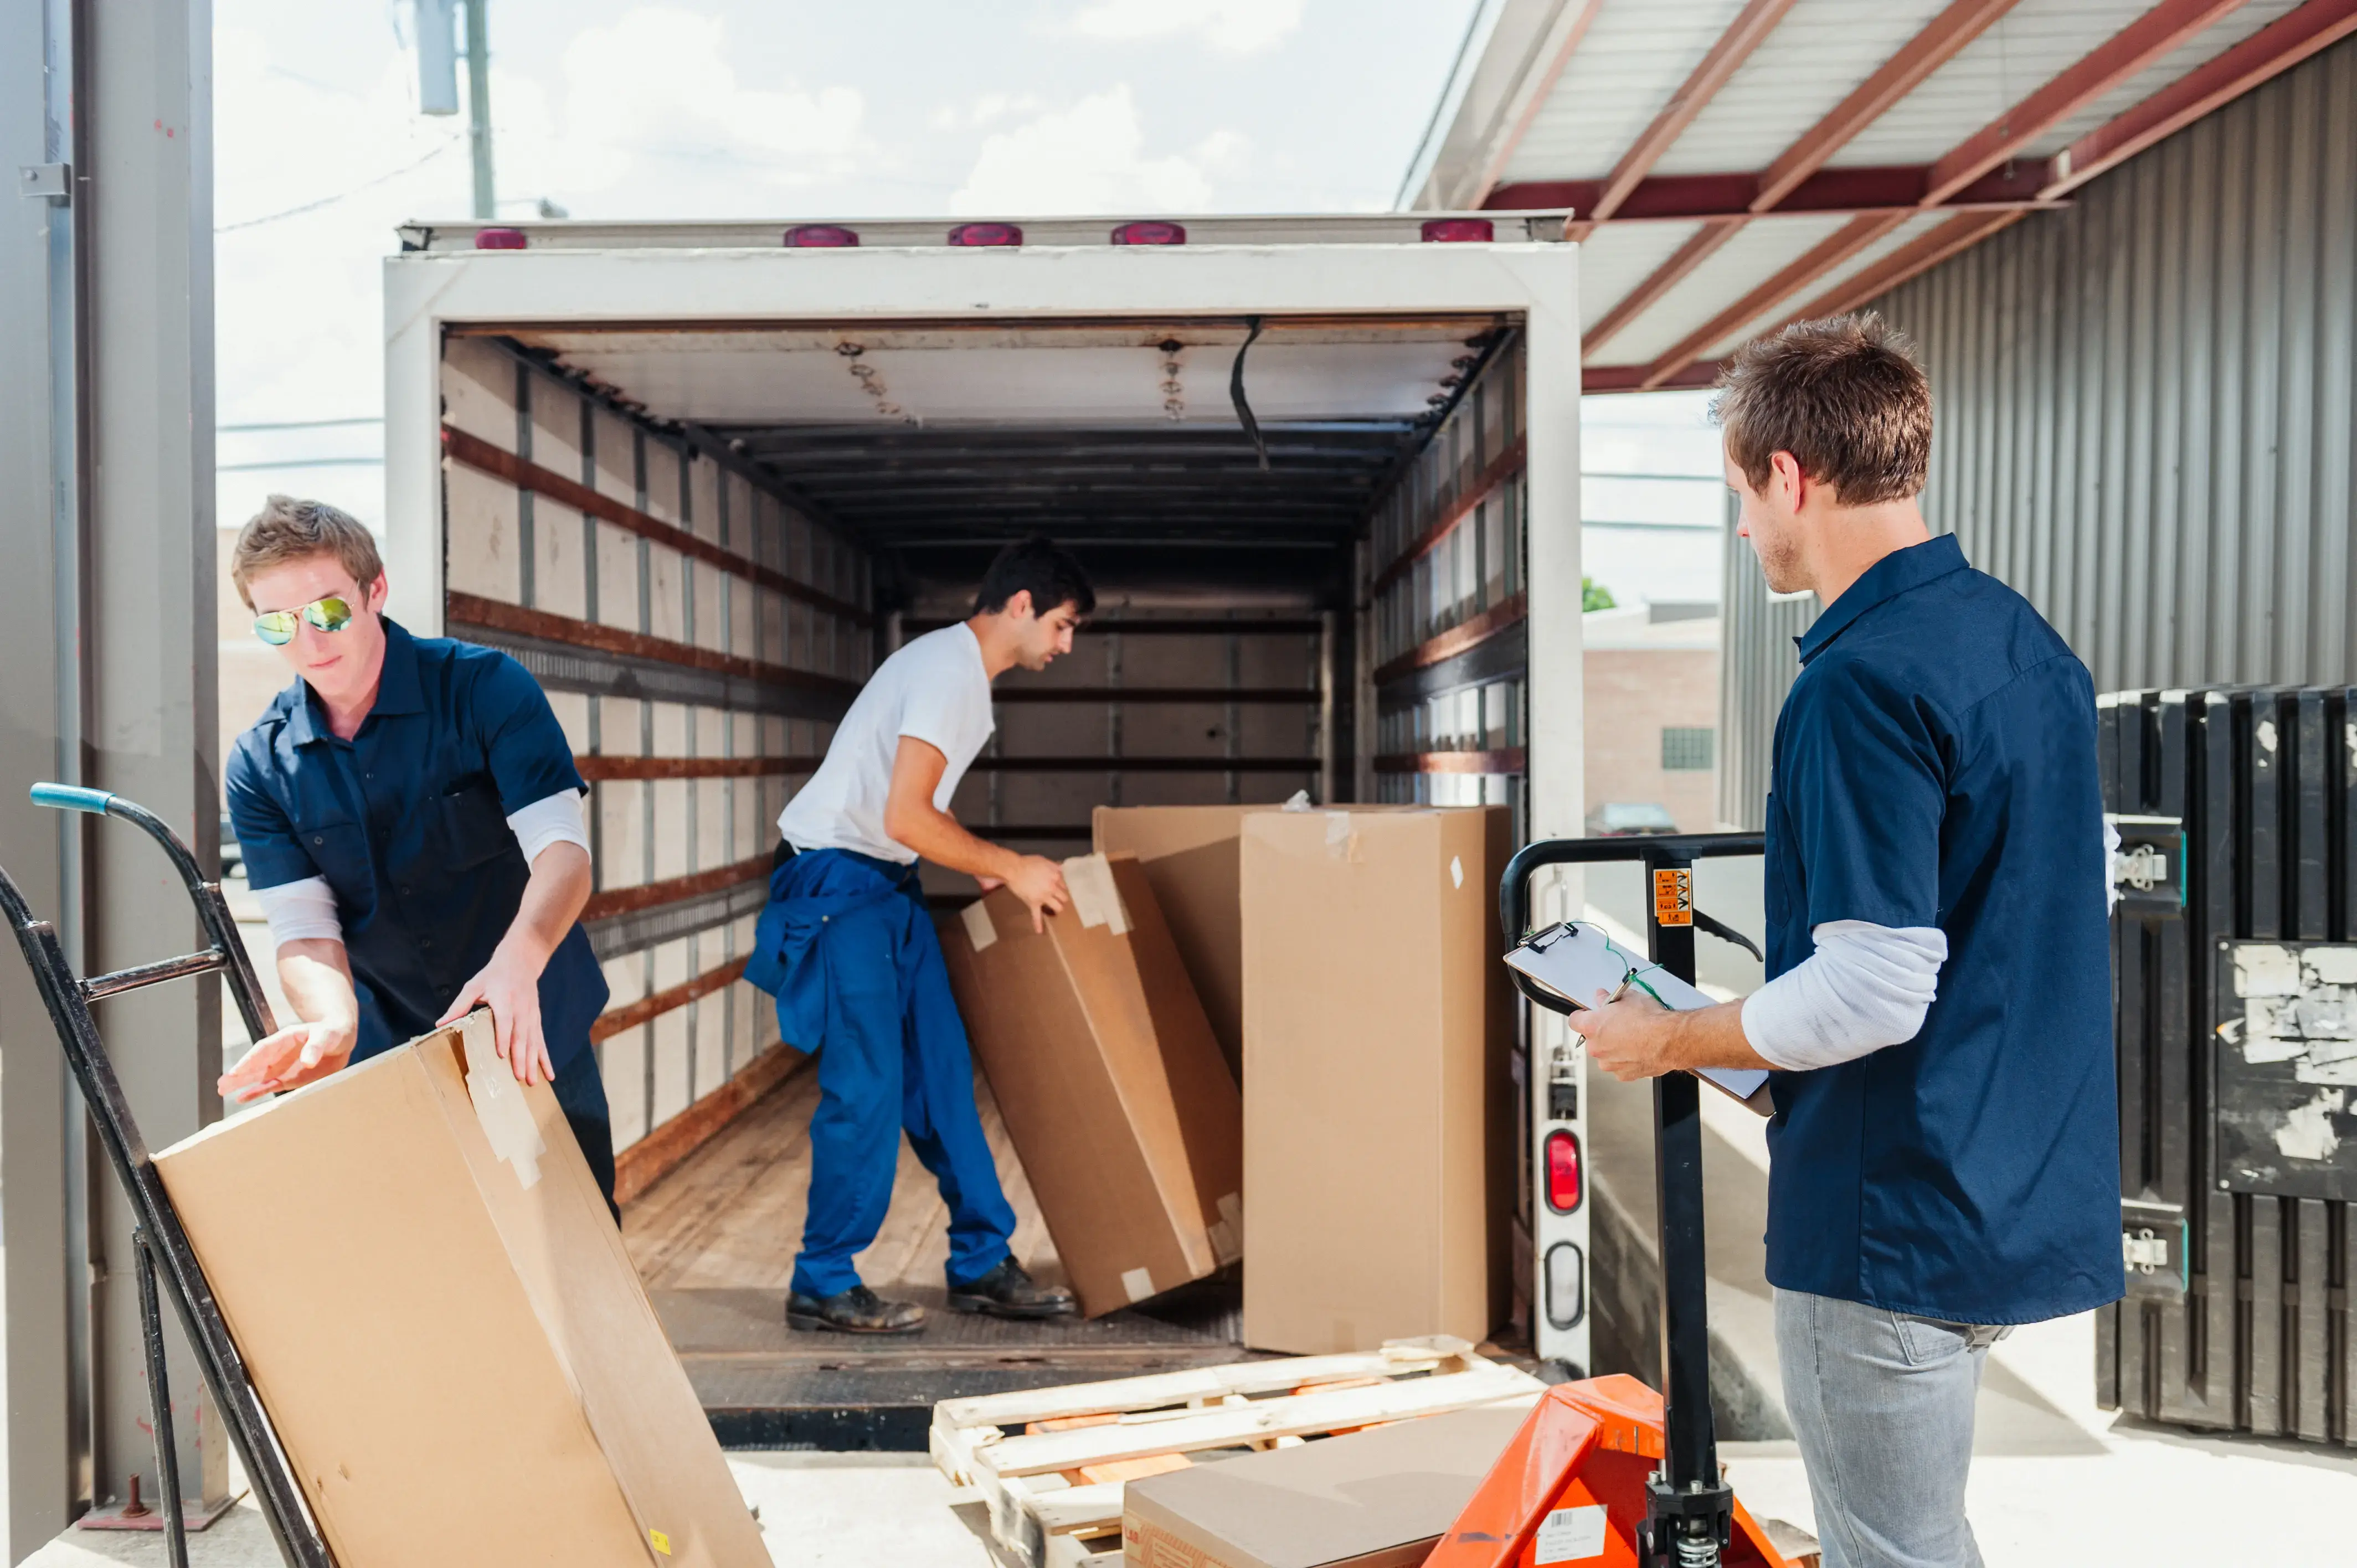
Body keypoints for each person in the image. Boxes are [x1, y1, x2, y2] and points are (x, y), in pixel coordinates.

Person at [1571, 317, 2121, 1568]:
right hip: (2006, 1184)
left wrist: (1668, 1037)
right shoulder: (2026, 645)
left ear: (1789, 477)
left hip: (1890, 1222)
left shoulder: (1856, 683)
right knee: (1919, 1542)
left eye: (1739, 497)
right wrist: (1764, 1060)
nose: (1741, 532)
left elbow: (1874, 985)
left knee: (1895, 1553)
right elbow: (2042, 905)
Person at [219, 496, 617, 1213]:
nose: (309, 642)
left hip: (529, 1019)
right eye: (277, 623)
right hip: (392, 1048)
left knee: (579, 1243)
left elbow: (563, 854)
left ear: (376, 590)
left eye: (328, 612)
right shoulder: (259, 763)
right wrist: (331, 1021)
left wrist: (520, 957)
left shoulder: (485, 689)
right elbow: (305, 929)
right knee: (436, 1257)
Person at [746, 536, 1092, 1334]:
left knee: (940, 1075)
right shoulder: (947, 674)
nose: (1066, 646)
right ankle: (823, 1280)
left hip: (886, 883)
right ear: (1020, 607)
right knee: (865, 1088)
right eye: (1064, 626)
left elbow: (911, 812)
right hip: (837, 885)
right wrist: (1009, 865)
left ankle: (981, 1262)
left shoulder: (956, 672)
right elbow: (905, 813)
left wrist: (970, 859)